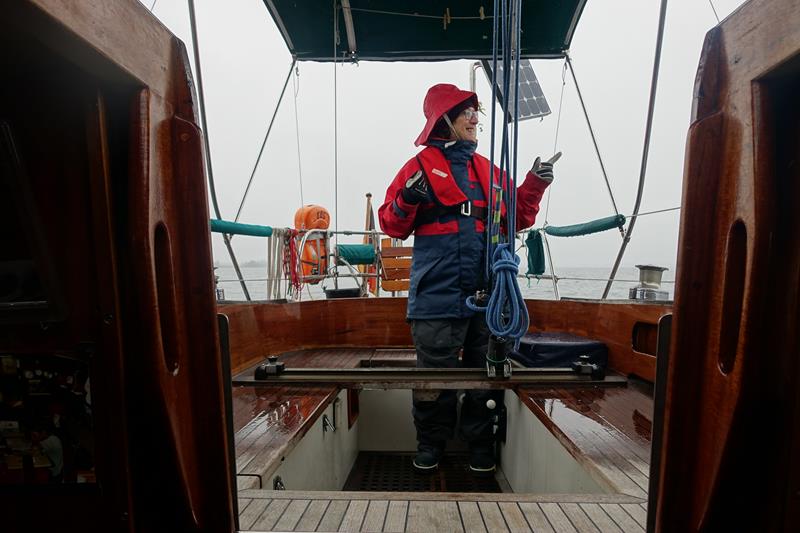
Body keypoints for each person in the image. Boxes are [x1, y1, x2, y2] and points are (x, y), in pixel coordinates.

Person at [378, 83, 555, 475]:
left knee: (484, 371)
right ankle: (431, 444)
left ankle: (480, 444)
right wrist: (407, 199)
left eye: (477, 113)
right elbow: (391, 225)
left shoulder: (488, 171)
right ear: (445, 120)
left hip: (488, 292)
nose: (476, 119)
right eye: (467, 113)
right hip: (436, 293)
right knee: (433, 377)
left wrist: (535, 184)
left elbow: (518, 216)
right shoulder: (417, 168)